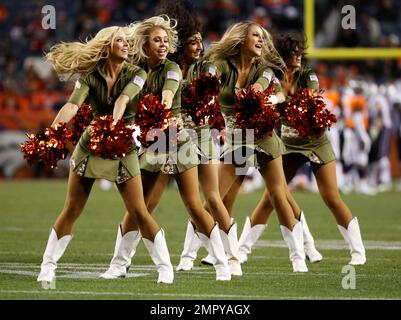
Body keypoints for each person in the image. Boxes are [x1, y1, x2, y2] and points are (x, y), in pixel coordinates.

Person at [36, 26, 174, 284]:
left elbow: (123, 100)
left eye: (126, 41)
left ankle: (165, 268)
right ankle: (47, 266)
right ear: (106, 46)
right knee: (72, 209)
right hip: (92, 144)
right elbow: (73, 105)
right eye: (119, 40)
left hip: (122, 143)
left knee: (138, 211)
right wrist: (53, 129)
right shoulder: (89, 75)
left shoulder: (137, 73)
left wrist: (113, 125)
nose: (126, 45)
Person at [100, 15, 231, 281]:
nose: (162, 44)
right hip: (153, 142)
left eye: (165, 40)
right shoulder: (134, 70)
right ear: (144, 45)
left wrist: (162, 107)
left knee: (194, 205)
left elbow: (169, 94)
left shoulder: (172, 68)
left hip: (176, 140)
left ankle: (223, 264)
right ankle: (119, 264)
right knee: (140, 206)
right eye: (156, 40)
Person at [236, 33, 366, 266]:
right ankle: (242, 250)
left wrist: (283, 100)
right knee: (271, 198)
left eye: (299, 52)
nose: (297, 56)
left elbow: (312, 96)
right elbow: (267, 92)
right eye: (292, 52)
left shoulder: (308, 75)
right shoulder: (272, 76)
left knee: (331, 198)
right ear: (283, 54)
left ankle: (358, 251)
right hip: (288, 144)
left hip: (316, 141)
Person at [139, 0, 242, 275]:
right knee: (148, 201)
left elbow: (215, 92)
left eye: (200, 42)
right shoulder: (166, 68)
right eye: (194, 42)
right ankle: (125, 259)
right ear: (181, 44)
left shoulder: (205, 67)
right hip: (168, 138)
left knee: (209, 197)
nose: (199, 47)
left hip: (202, 134)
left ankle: (231, 258)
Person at [203, 22, 309, 273]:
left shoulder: (266, 69)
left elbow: (259, 87)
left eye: (263, 37)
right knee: (213, 198)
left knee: (279, 195)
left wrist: (253, 92)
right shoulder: (225, 66)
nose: (261, 40)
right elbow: (208, 75)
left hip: (262, 135)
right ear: (242, 40)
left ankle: (298, 257)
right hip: (237, 139)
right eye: (256, 36)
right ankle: (201, 255)